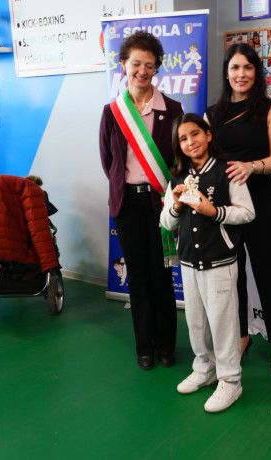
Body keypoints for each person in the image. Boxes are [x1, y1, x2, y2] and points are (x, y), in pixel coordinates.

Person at [160, 113, 255, 413]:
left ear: (208, 135)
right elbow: (166, 222)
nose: (190, 142)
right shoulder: (178, 177)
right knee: (196, 322)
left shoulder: (227, 171)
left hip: (219, 261)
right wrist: (177, 204)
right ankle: (205, 367)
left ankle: (231, 380)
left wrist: (213, 211)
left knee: (223, 324)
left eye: (195, 134)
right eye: (183, 139)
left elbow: (247, 212)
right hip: (189, 262)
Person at [99, 31, 182, 371]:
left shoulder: (172, 110)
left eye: (149, 65)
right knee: (137, 276)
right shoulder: (112, 112)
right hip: (127, 206)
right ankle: (143, 346)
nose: (142, 71)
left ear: (157, 68)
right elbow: (108, 161)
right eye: (136, 64)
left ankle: (166, 345)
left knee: (162, 274)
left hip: (160, 204)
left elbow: (178, 161)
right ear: (124, 65)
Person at [206, 43, 271, 374]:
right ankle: (241, 335)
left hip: (259, 200)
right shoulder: (212, 114)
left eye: (247, 67)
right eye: (235, 67)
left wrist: (250, 167)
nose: (241, 74)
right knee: (232, 273)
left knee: (267, 271)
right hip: (225, 205)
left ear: (256, 72)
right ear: (226, 72)